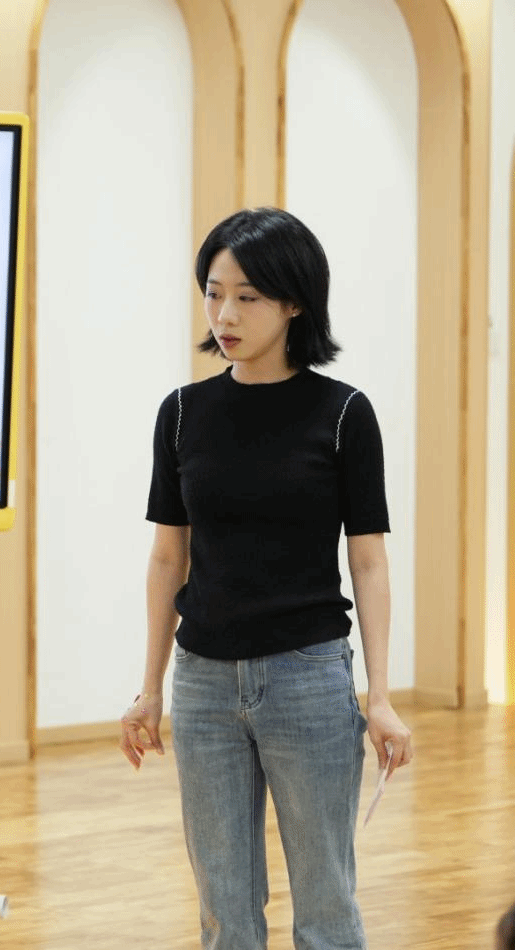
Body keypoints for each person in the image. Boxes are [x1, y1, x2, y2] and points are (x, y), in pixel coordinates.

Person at [119, 207, 414, 950]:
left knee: (326, 904)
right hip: (204, 685)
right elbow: (168, 557)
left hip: (308, 678)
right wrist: (150, 687)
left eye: (247, 297)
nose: (224, 315)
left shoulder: (344, 415)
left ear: (294, 304)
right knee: (224, 909)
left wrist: (379, 696)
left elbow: (369, 560)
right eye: (214, 293)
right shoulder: (181, 414)